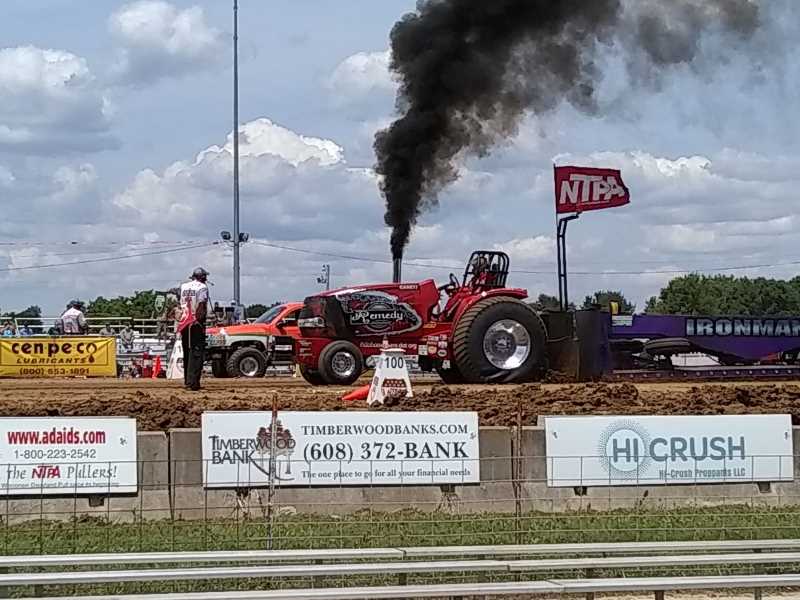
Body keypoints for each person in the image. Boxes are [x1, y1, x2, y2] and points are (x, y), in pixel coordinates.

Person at [178, 267, 210, 391]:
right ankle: (193, 382)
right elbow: (201, 305)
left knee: (187, 350)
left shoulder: (184, 287)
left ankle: (187, 380)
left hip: (184, 322)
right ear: (202, 277)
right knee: (196, 353)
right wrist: (199, 321)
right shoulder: (202, 287)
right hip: (196, 323)